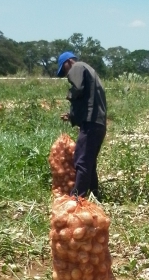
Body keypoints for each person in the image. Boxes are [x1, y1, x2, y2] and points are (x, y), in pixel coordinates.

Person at [57, 51, 107, 199]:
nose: (67, 74)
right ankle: (94, 195)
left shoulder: (77, 67)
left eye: (64, 69)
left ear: (68, 62)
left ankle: (78, 198)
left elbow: (78, 89)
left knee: (82, 160)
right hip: (98, 123)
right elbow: (88, 98)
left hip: (91, 123)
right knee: (89, 162)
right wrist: (72, 116)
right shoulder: (89, 70)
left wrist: (69, 96)